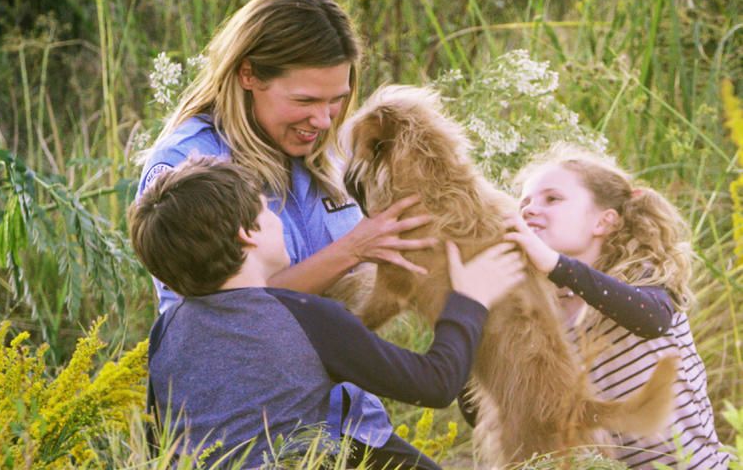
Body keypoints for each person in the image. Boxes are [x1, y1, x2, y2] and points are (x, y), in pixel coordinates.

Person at [134, 0, 435, 454]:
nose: (323, 119)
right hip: (255, 439)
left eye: (337, 99)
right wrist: (351, 250)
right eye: (306, 100)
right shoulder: (188, 166)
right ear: (248, 73)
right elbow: (218, 320)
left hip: (351, 419)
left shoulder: (327, 145)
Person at [129, 157, 527, 469]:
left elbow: (160, 444)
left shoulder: (167, 330)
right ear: (247, 233)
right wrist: (469, 300)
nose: (275, 219)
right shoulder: (304, 317)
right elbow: (436, 384)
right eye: (267, 209)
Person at [503, 144, 730, 469]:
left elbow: (651, 319)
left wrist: (555, 265)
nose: (528, 210)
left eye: (552, 199)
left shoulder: (643, 275)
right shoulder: (541, 312)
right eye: (524, 203)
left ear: (604, 222)